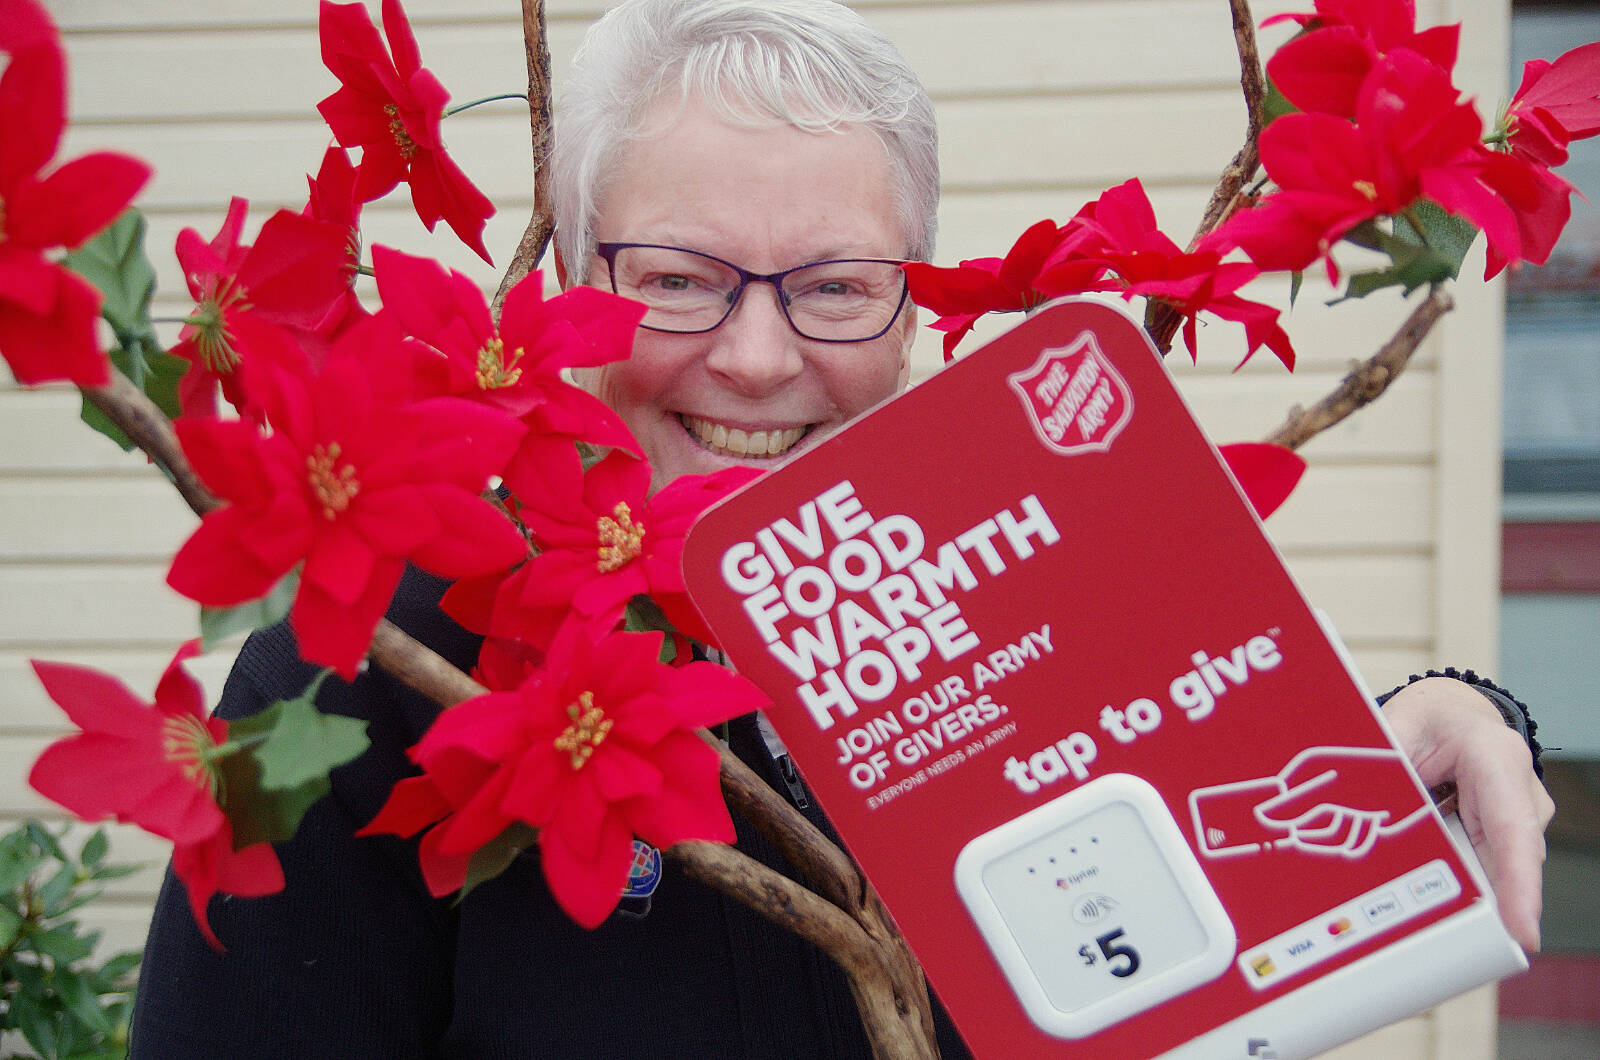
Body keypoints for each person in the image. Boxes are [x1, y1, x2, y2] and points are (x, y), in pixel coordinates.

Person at [129, 1, 1552, 1056]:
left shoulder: (1023, 592)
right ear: (566, 284)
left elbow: (1245, 788)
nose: (755, 359)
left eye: (836, 286)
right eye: (677, 277)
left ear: (913, 312)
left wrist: (1442, 712)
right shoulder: (369, 682)